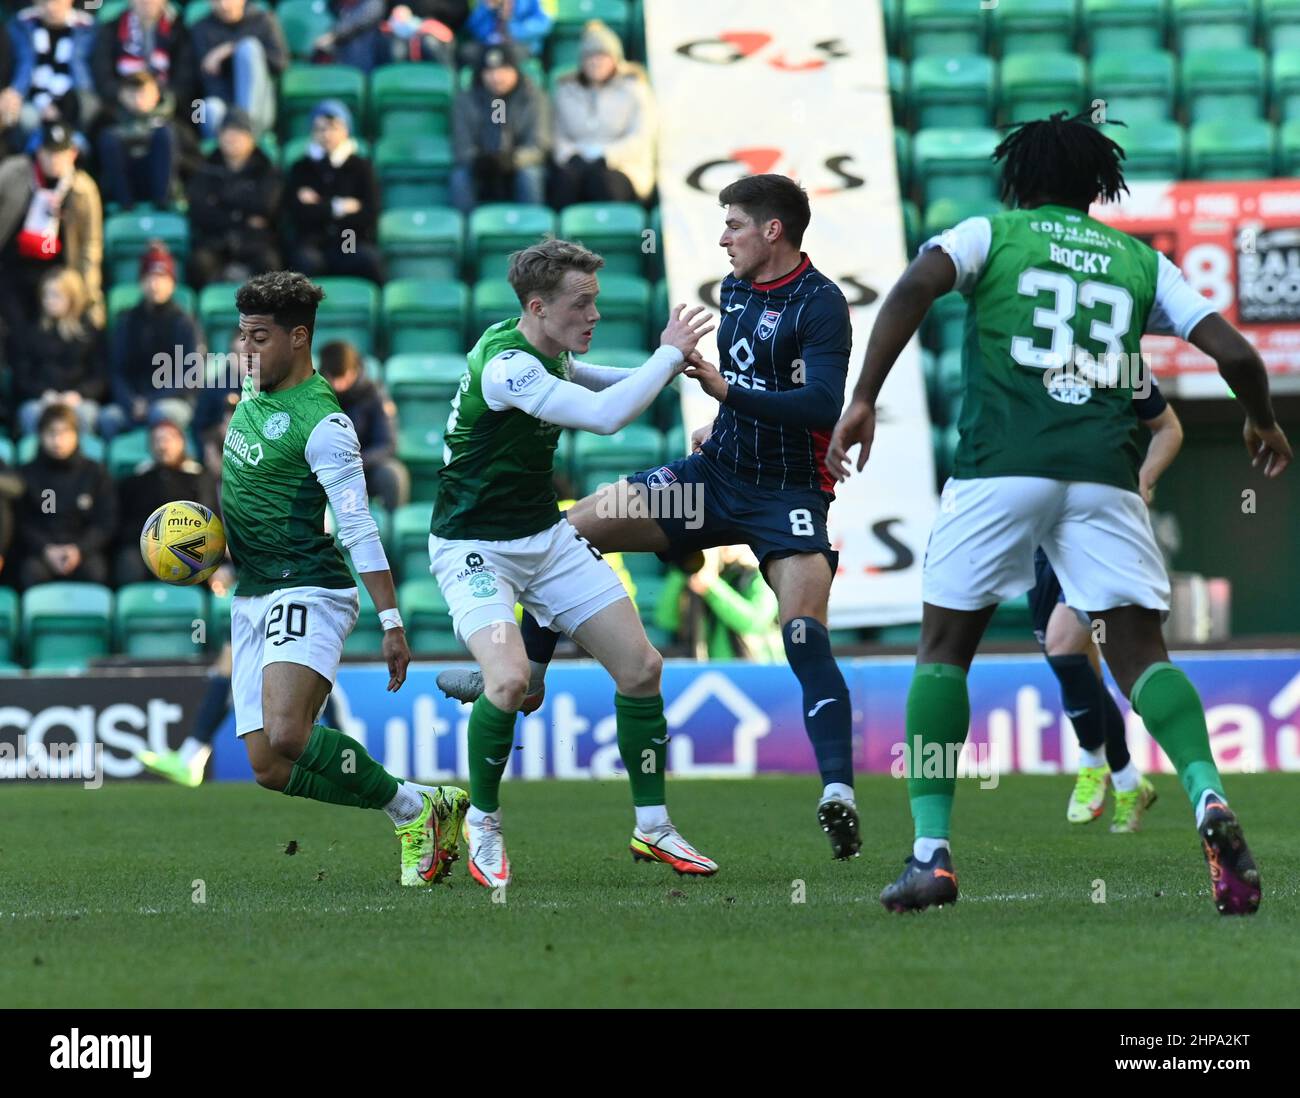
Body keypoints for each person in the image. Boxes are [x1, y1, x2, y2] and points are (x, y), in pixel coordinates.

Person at [827, 112, 1291, 916]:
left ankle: (931, 856)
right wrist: (1258, 418)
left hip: (1001, 463)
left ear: (1019, 176)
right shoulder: (1142, 260)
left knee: (944, 650)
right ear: (1096, 187)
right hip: (1105, 474)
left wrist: (863, 397)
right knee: (1143, 654)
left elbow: (912, 288)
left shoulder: (990, 234)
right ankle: (1208, 798)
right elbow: (1240, 354)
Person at [439, 175, 861, 861]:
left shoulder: (821, 304)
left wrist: (726, 392)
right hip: (714, 478)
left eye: (734, 226)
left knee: (805, 632)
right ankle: (531, 674)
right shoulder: (734, 291)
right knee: (573, 531)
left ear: (772, 231)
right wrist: (719, 417)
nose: (723, 238)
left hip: (787, 498)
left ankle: (837, 791)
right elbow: (743, 395)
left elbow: (818, 406)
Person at [428, 238, 716, 889]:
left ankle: (653, 826)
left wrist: (673, 369)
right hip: (477, 548)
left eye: (596, 302)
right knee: (509, 685)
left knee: (642, 668)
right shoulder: (509, 367)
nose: (594, 315)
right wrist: (668, 353)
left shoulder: (543, 350)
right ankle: (484, 823)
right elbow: (606, 417)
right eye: (581, 303)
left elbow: (601, 382)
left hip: (544, 538)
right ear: (538, 305)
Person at [220, 270, 466, 887]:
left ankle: (413, 816)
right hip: (250, 591)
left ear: (298, 338)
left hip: (306, 584)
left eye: (256, 338)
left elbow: (357, 527)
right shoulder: (251, 393)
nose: (242, 351)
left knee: (288, 734)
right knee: (268, 768)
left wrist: (390, 621)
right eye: (239, 335)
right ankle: (421, 803)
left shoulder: (326, 425)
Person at [1036, 382, 1182, 834]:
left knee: (1064, 646)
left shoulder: (1118, 355)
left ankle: (1092, 760)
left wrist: (1145, 478)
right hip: (1041, 531)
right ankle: (1126, 779)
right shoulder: (1020, 353)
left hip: (1097, 526)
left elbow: (1168, 428)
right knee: (1076, 661)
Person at [0, 120, 105, 339]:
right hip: (13, 267)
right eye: (49, 153)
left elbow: (90, 244)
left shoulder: (83, 190)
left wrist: (89, 290)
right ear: (39, 152)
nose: (55, 160)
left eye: (61, 153)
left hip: (59, 271)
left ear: (73, 154)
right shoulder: (13, 173)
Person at [101, 240, 204, 439]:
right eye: (149, 277)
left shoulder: (185, 322)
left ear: (172, 283)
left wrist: (151, 401)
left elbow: (191, 376)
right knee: (108, 417)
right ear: (141, 282)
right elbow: (117, 370)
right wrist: (130, 402)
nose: (155, 284)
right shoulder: (127, 320)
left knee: (163, 412)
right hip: (133, 402)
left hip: (171, 400)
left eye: (161, 277)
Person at [549, 20, 655, 207]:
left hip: (624, 167)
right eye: (590, 56)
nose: (596, 62)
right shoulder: (565, 90)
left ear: (615, 59)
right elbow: (557, 134)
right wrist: (572, 155)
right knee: (563, 181)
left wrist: (606, 155)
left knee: (605, 183)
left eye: (602, 56)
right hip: (577, 162)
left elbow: (641, 137)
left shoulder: (635, 89)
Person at [15, 402, 115, 588]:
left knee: (96, 573)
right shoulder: (27, 473)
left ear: (76, 435)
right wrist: (46, 549)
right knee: (30, 572)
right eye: (51, 433)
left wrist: (80, 549)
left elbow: (105, 522)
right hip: (41, 551)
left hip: (83, 550)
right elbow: (23, 521)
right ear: (40, 435)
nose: (57, 440)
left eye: (65, 432)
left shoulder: (95, 472)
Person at [283, 99, 383, 284]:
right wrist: (339, 207)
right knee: (306, 262)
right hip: (312, 239)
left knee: (362, 259)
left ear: (346, 130)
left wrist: (319, 205)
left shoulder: (361, 167)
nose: (327, 134)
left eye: (333, 128)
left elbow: (369, 213)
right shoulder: (301, 168)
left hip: (349, 236)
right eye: (320, 129)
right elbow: (297, 213)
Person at [114, 418, 218, 584]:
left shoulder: (200, 478)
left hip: (189, 546)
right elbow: (124, 524)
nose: (162, 445)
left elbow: (208, 520)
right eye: (157, 440)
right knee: (129, 565)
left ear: (182, 442)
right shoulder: (135, 481)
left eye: (169, 439)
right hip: (144, 547)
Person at [186, 107, 281, 289]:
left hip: (254, 242)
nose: (231, 138)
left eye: (238, 132)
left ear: (252, 138)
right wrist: (243, 215)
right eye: (226, 132)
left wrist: (219, 200)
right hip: (215, 240)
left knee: (270, 264)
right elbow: (199, 210)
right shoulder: (206, 167)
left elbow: (266, 206)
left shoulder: (266, 169)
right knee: (199, 264)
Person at [449, 45, 548, 214]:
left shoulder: (533, 97)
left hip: (519, 166)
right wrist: (479, 160)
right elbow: (461, 146)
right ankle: (465, 231)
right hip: (480, 168)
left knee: (529, 175)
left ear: (516, 71)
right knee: (460, 177)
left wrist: (512, 160)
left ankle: (535, 232)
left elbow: (540, 145)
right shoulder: (466, 99)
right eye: (490, 71)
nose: (496, 77)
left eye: (503, 70)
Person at [12, 266, 104, 437]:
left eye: (56, 295)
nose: (49, 301)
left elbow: (99, 376)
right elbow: (23, 376)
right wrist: (44, 394)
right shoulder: (31, 332)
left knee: (87, 414)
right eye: (46, 295)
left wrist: (78, 394)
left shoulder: (89, 332)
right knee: (30, 412)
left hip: (78, 400)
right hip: (42, 400)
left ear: (73, 298)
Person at [318, 340, 408, 511]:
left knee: (393, 474)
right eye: (333, 378)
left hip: (362, 467)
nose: (338, 385)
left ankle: (391, 527)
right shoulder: (315, 394)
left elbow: (387, 444)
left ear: (354, 371)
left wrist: (355, 461)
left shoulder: (374, 394)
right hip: (322, 468)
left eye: (343, 377)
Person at [2, 0, 98, 141]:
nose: (50, 7)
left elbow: (89, 82)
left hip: (73, 106)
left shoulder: (88, 28)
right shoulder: (20, 25)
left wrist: (62, 107)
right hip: (31, 103)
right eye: (45, 2)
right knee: (18, 118)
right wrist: (13, 92)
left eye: (57, 2)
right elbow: (19, 66)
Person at [190, 0, 288, 138]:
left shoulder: (263, 20)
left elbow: (280, 63)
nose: (224, 5)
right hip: (221, 111)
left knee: (249, 48)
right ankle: (217, 151)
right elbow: (196, 81)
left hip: (259, 110)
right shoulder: (200, 29)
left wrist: (231, 48)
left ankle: (245, 126)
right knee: (206, 108)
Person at [90, 0, 195, 117]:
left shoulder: (179, 30)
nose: (147, 1)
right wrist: (122, 93)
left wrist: (158, 95)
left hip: (170, 111)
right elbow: (101, 73)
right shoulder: (111, 29)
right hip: (118, 109)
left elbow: (186, 78)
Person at [95, 70, 178, 209]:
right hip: (122, 188)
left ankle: (163, 204)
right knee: (109, 139)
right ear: (121, 95)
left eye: (143, 93)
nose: (138, 99)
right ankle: (125, 206)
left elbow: (191, 160)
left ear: (156, 94)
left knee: (165, 135)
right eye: (132, 93)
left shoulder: (173, 120)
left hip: (160, 184)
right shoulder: (105, 120)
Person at [459, 0, 551, 69]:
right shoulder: (485, 2)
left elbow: (543, 24)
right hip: (488, 45)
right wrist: (487, 9)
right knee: (468, 52)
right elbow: (474, 29)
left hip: (519, 44)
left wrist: (514, 29)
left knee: (507, 55)